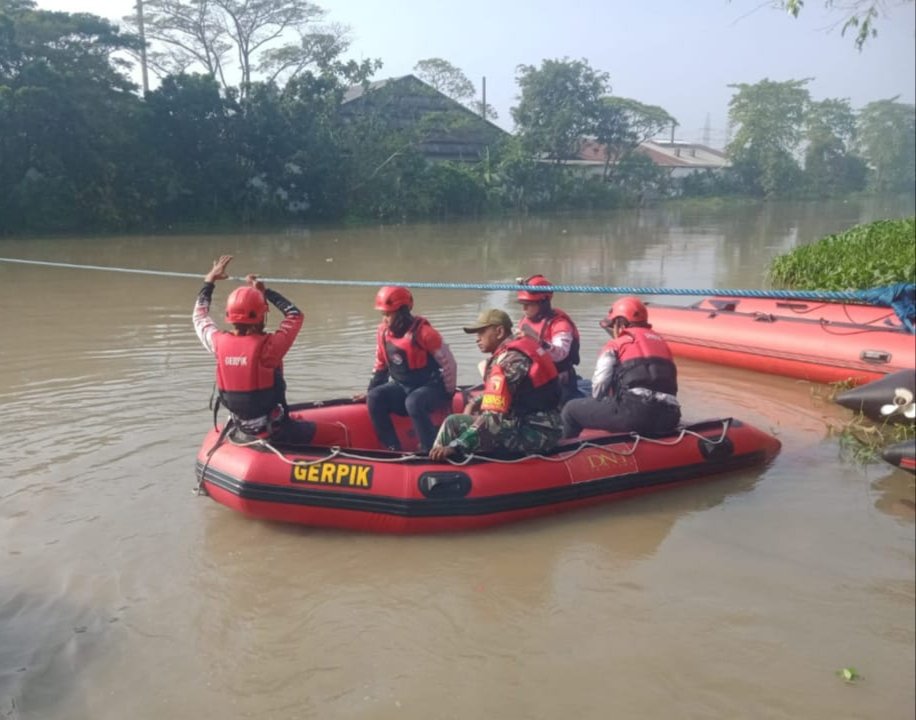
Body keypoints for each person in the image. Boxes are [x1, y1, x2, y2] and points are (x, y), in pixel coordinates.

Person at [193, 254, 321, 445]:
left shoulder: (218, 342)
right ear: (261, 316)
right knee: (336, 431)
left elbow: (199, 316)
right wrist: (265, 292)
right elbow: (295, 315)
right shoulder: (269, 348)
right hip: (274, 431)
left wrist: (209, 280)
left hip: (240, 427)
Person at [429, 309, 563, 462]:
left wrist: (456, 445)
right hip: (527, 423)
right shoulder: (513, 351)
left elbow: (493, 419)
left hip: (537, 431)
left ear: (499, 331)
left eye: (481, 333)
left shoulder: (512, 361)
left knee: (458, 426)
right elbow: (503, 393)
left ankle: (441, 464)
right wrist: (474, 402)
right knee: (454, 422)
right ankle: (440, 460)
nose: (477, 339)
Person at [561, 296, 681, 438]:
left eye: (613, 326)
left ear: (620, 324)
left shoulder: (616, 345)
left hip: (635, 413)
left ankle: (563, 453)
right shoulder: (662, 344)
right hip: (670, 416)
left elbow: (599, 385)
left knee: (570, 410)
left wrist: (598, 401)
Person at [355, 286, 457, 452]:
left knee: (414, 402)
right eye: (383, 315)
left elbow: (449, 364)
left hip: (431, 388)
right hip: (402, 386)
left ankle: (429, 449)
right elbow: (380, 365)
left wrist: (448, 393)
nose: (384, 320)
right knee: (374, 397)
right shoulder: (382, 333)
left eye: (388, 314)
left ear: (401, 311)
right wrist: (370, 390)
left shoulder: (425, 333)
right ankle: (392, 448)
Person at [516, 274, 583, 405]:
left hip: (559, 380)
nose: (524, 309)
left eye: (529, 304)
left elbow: (560, 354)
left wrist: (538, 342)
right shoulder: (525, 321)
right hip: (535, 376)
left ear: (543, 303)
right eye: (523, 304)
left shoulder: (560, 324)